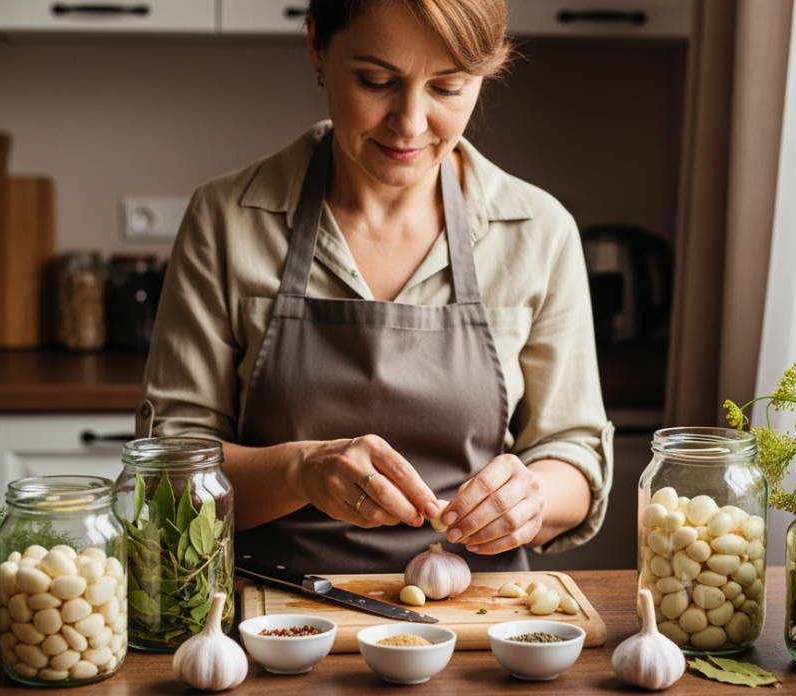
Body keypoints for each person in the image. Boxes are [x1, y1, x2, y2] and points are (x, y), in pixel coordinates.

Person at [141, 0, 613, 574]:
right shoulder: (226, 219)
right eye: (376, 81)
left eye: (448, 87)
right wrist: (300, 471)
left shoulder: (539, 231)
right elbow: (168, 469)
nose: (410, 122)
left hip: (479, 628)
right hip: (275, 623)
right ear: (317, 44)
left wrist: (532, 497)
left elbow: (573, 458)